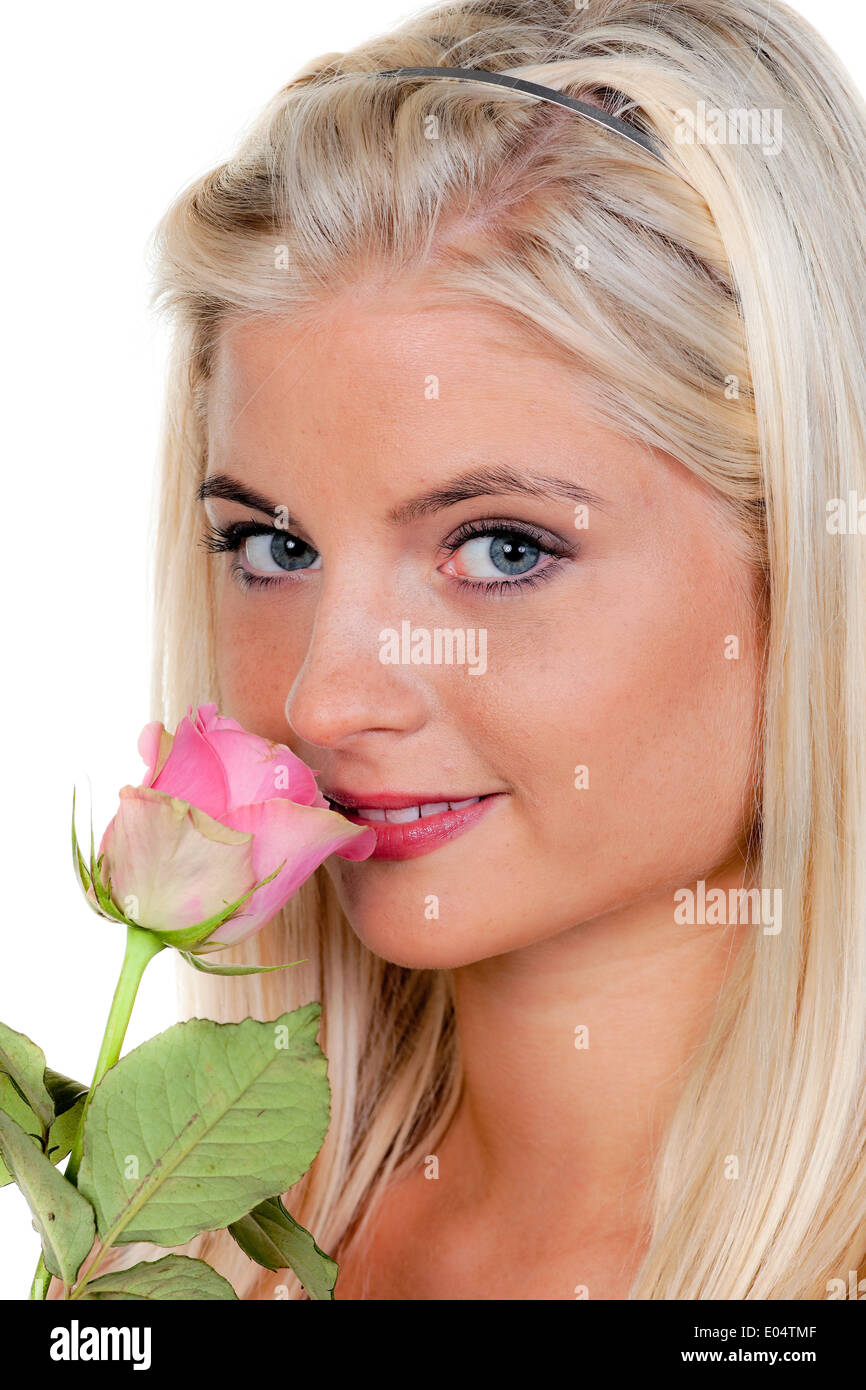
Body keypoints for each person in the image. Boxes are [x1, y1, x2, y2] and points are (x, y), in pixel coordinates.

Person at [65, 0, 866, 1298]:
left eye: (500, 547)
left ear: (809, 560)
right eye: (272, 546)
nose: (325, 698)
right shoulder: (162, 1255)